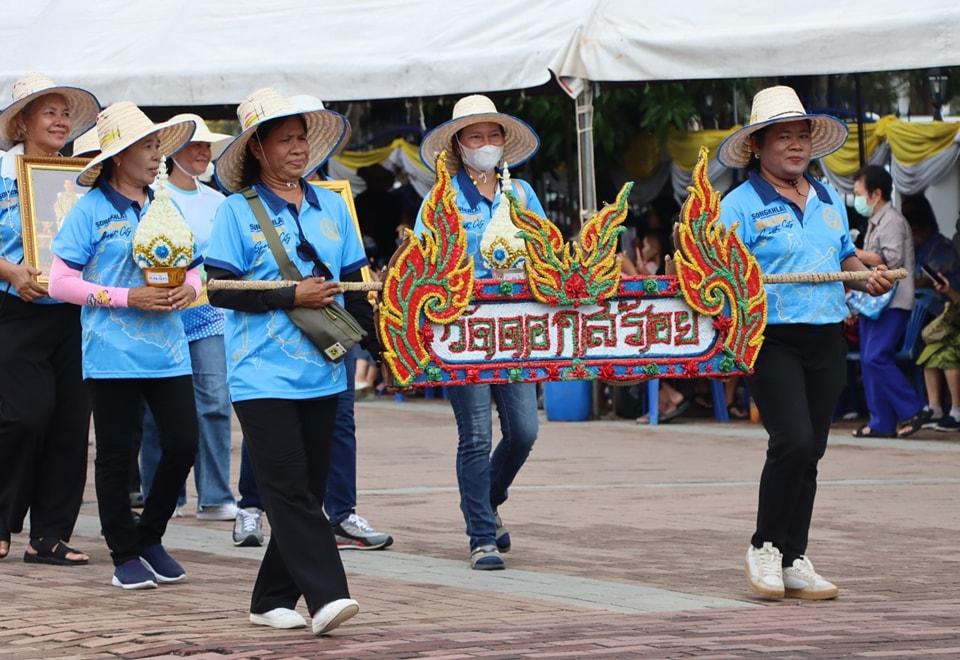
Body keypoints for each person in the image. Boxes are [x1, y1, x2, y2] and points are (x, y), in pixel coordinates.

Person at [206, 87, 374, 634]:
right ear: (258, 148)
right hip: (260, 375)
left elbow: (356, 287)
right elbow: (219, 288)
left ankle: (269, 598)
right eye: (285, 140)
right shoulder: (235, 210)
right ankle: (328, 595)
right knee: (287, 489)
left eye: (302, 138)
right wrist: (289, 295)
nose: (298, 149)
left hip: (325, 371)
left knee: (307, 491)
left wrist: (384, 349)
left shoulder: (335, 206)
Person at [716, 85, 894, 601]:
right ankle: (764, 546)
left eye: (802, 136)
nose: (796, 146)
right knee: (791, 440)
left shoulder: (828, 198)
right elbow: (720, 273)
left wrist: (864, 277)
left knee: (812, 449)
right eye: (783, 137)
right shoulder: (737, 206)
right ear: (757, 146)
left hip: (826, 334)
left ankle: (794, 556)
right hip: (769, 337)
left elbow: (843, 257)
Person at [49, 102, 200, 589]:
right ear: (118, 155)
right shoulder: (89, 211)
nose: (157, 156)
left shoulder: (164, 203)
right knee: (117, 454)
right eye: (147, 147)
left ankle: (150, 535)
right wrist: (126, 297)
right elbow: (59, 282)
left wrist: (189, 290)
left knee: (184, 443)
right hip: (111, 353)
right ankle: (124, 552)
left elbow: (194, 268)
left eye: (158, 146)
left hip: (169, 351)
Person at [417, 94, 542, 570]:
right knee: (474, 435)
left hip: (515, 330)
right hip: (462, 329)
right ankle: (481, 537)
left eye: (493, 135)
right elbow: (423, 262)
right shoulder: (442, 199)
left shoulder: (521, 195)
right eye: (476, 137)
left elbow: (545, 251)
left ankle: (486, 500)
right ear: (458, 145)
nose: (486, 144)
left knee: (524, 431)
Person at [0, 73, 98, 565]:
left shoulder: (81, 178)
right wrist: (11, 272)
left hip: (73, 311)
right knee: (22, 416)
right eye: (49, 113)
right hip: (14, 309)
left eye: (65, 114)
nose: (60, 122)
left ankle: (50, 536)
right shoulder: (1, 174)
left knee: (70, 423)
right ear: (22, 123)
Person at [138, 114, 238, 521]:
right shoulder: (151, 198)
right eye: (194, 145)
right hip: (160, 313)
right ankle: (163, 495)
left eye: (206, 146)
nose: (202, 152)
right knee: (156, 408)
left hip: (208, 312)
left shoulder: (219, 201)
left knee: (214, 400)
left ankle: (214, 495)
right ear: (172, 151)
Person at [848, 165, 925, 438]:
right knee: (869, 360)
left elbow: (891, 261)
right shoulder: (876, 220)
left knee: (876, 357)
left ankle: (913, 408)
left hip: (892, 302)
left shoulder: (892, 220)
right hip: (874, 301)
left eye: (859, 194)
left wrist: (854, 252)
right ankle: (880, 422)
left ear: (876, 194)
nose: (856, 199)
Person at [904, 194, 960, 432]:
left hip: (948, 317)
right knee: (929, 351)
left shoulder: (942, 247)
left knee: (947, 352)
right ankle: (935, 409)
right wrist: (948, 290)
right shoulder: (916, 249)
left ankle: (956, 412)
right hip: (951, 313)